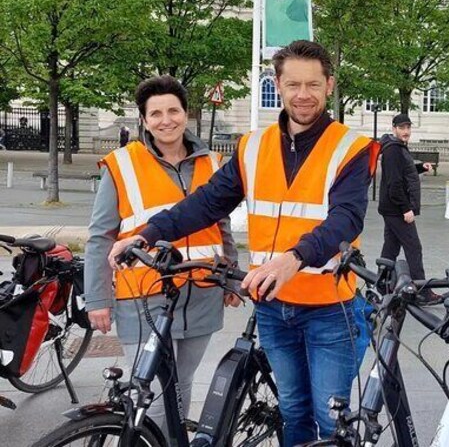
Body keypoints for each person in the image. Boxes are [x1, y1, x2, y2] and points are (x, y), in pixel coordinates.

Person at [107, 40, 379, 445]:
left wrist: (294, 259)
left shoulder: (351, 148)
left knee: (330, 416)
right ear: (278, 85)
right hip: (271, 305)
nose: (303, 95)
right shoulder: (252, 146)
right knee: (293, 409)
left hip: (329, 308)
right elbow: (205, 204)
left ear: (330, 85)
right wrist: (145, 233)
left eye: (313, 85)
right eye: (293, 85)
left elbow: (346, 219)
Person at [84, 75, 239, 439]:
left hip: (201, 292)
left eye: (173, 110)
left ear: (186, 114)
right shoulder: (122, 164)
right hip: (143, 295)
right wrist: (97, 299)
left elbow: (224, 228)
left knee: (180, 388)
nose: (166, 119)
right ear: (144, 119)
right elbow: (99, 237)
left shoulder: (213, 163)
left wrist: (230, 278)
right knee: (149, 394)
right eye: (156, 113)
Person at [378, 113, 439, 303]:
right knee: (414, 247)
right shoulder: (393, 150)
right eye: (402, 128)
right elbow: (394, 184)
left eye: (408, 128)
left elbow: (404, 171)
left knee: (391, 248)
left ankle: (382, 284)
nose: (406, 132)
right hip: (396, 209)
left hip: (390, 208)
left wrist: (421, 168)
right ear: (394, 129)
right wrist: (406, 208)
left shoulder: (396, 148)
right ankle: (422, 291)